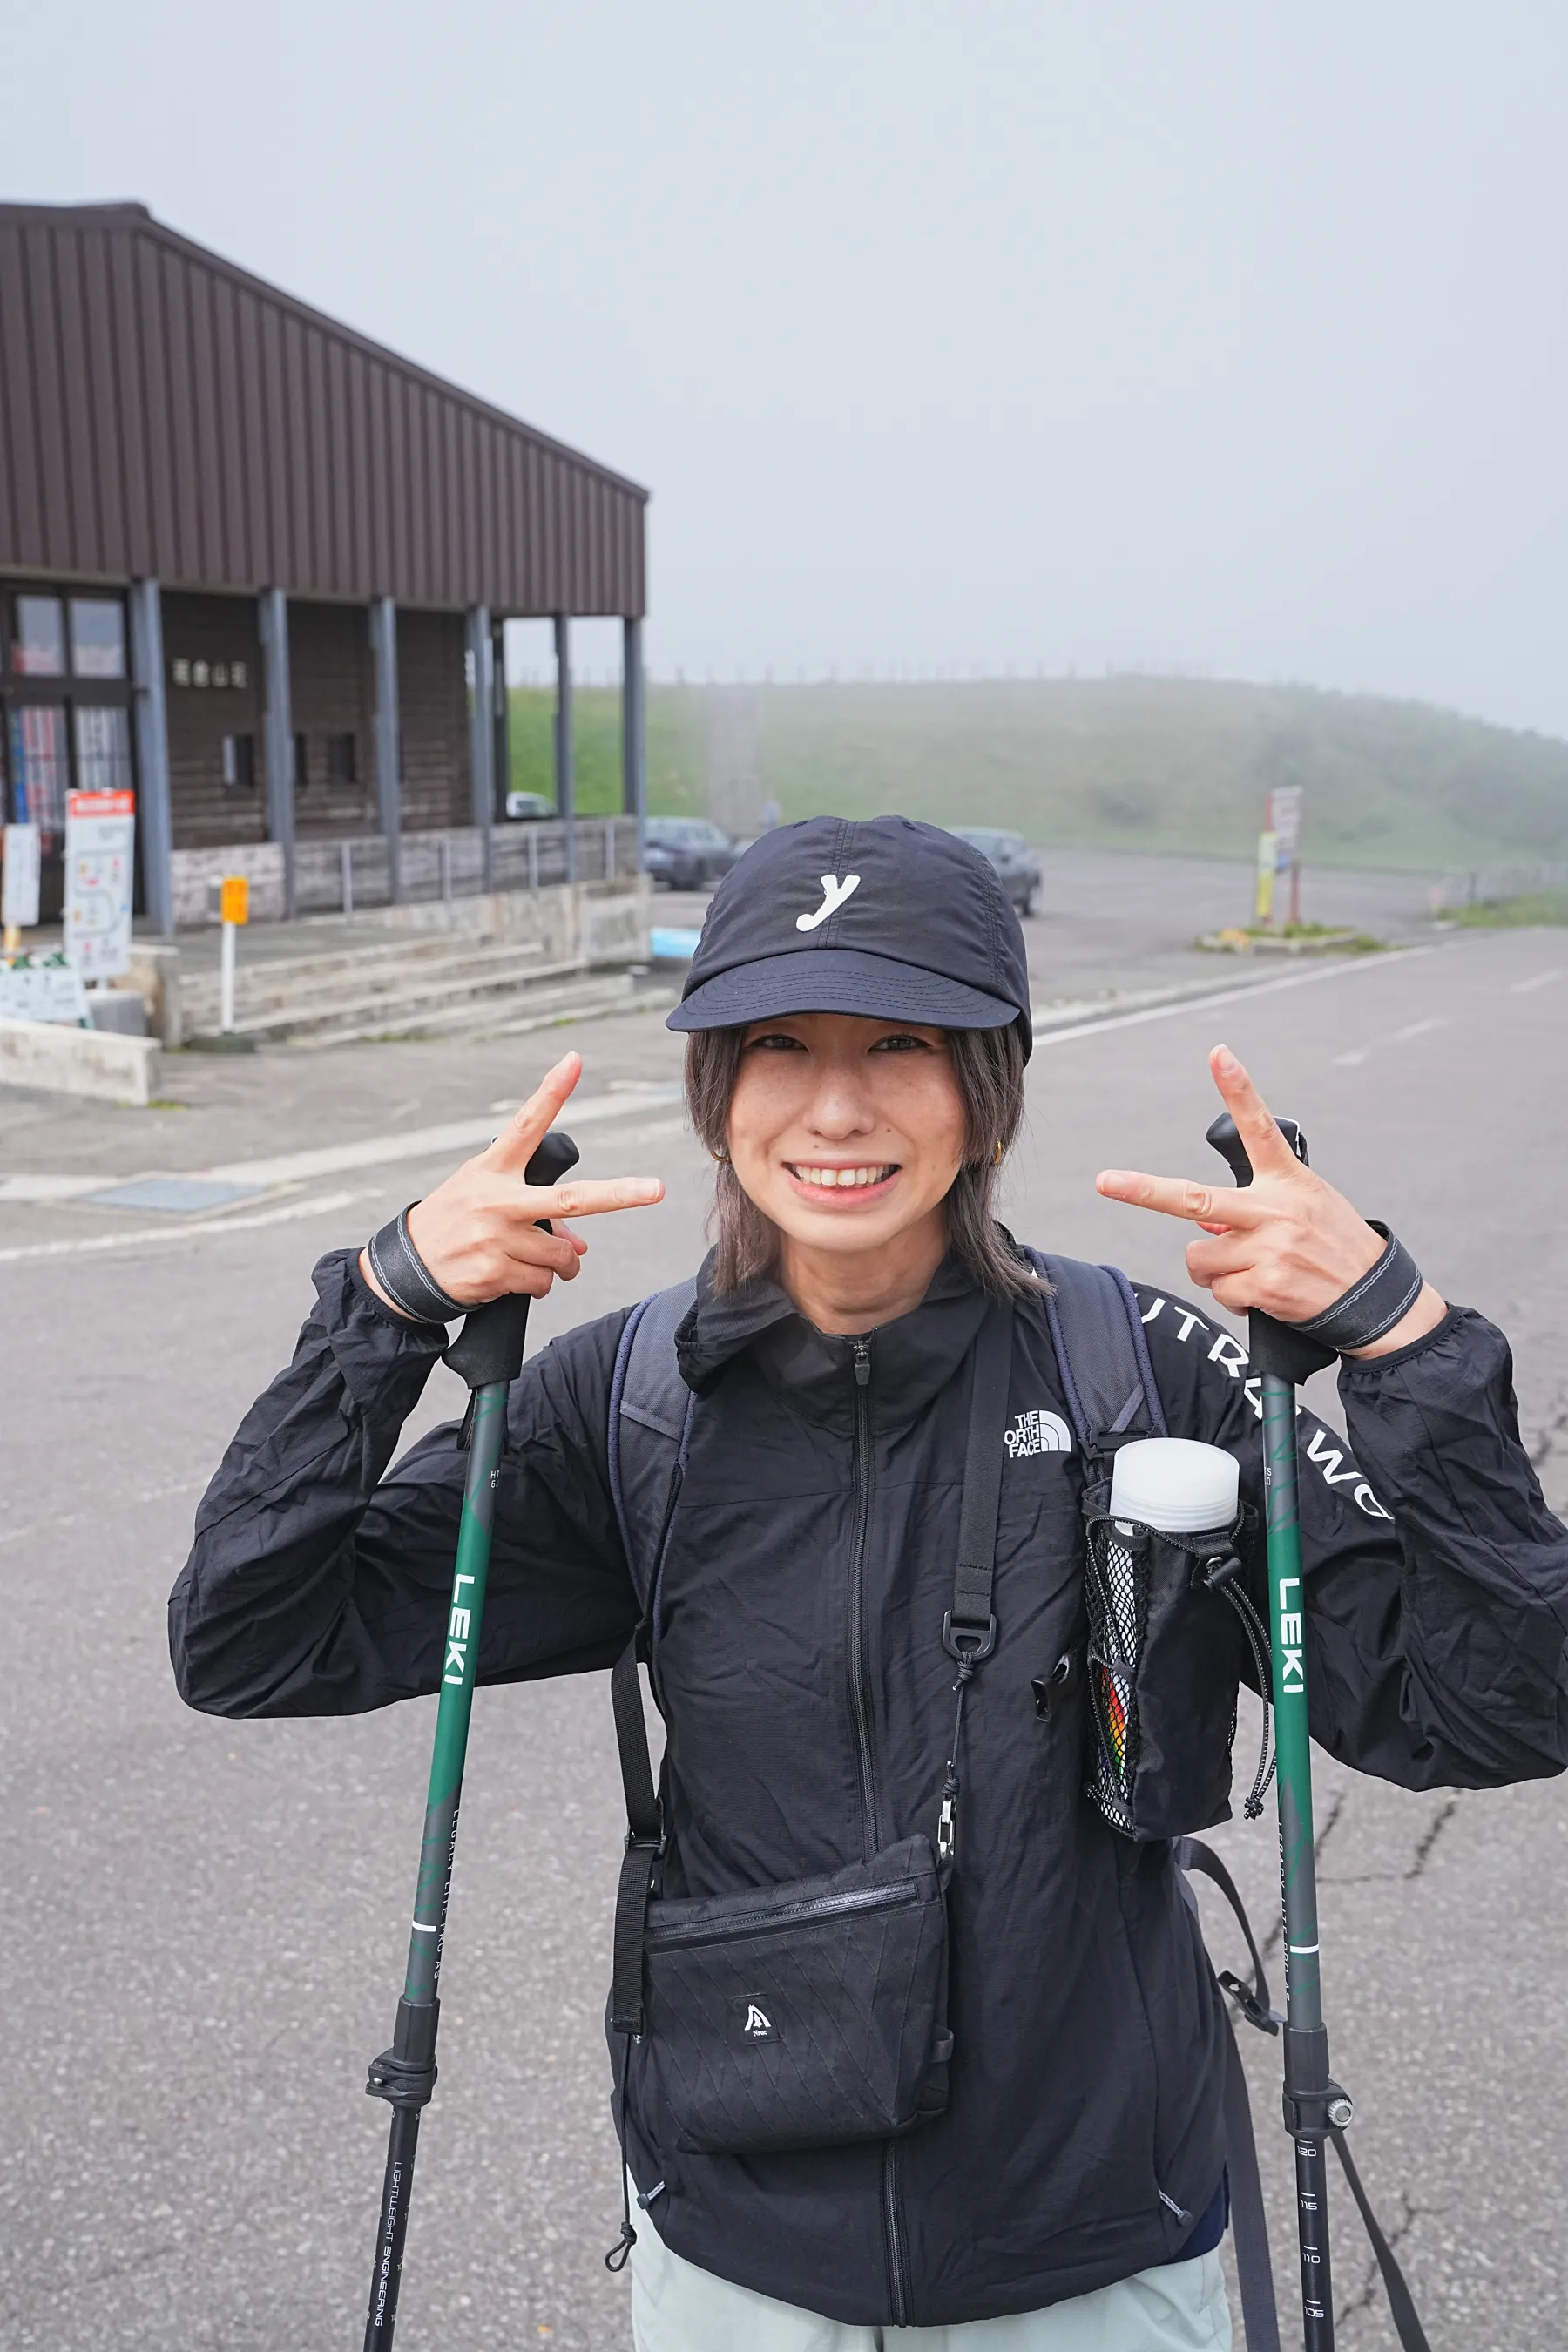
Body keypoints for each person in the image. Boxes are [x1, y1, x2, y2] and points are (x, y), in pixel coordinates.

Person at [170, 816, 1568, 2349]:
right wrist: (382, 1306)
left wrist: (1407, 1341)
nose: (836, 1105)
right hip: (739, 2260)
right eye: (780, 1042)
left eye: (901, 1039)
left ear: (990, 1085)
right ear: (719, 1091)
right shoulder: (623, 1402)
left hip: (1098, 2256)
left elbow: (1496, 1707)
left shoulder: (1148, 1377)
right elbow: (250, 1636)